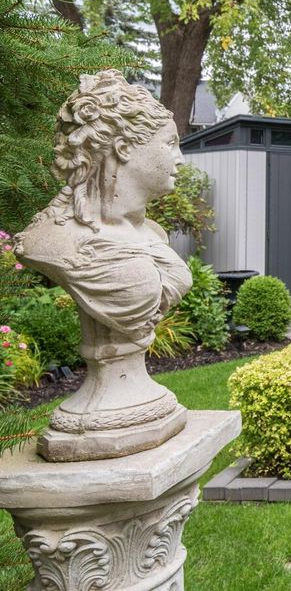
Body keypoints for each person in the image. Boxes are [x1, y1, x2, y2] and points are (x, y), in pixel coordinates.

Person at [15, 70, 192, 460]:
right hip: (99, 413)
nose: (180, 159)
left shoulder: (153, 235)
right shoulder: (54, 240)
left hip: (141, 398)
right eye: (170, 145)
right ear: (126, 146)